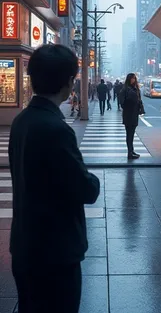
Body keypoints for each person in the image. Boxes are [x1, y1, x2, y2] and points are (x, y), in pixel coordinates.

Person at [9, 44, 100, 313]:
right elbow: (85, 189)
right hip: (55, 252)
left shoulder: (22, 120)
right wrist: (92, 179)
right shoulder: (55, 128)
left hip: (26, 244)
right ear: (69, 82)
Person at [121, 73, 144, 159]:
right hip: (128, 114)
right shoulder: (125, 89)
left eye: (134, 78)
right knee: (129, 134)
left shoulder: (136, 89)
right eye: (132, 78)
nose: (133, 80)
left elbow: (139, 100)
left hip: (134, 113)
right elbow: (122, 102)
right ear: (128, 79)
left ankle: (132, 151)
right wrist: (131, 103)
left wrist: (140, 107)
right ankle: (130, 152)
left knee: (132, 134)